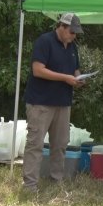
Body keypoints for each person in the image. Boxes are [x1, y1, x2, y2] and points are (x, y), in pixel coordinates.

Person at [22, 13, 85, 192]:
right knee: (35, 144)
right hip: (40, 102)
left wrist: (78, 78)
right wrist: (65, 78)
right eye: (72, 32)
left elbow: (75, 69)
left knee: (61, 144)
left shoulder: (73, 47)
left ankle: (56, 180)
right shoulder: (44, 41)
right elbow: (38, 70)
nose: (74, 36)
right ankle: (30, 185)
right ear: (61, 27)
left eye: (76, 33)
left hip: (63, 103)